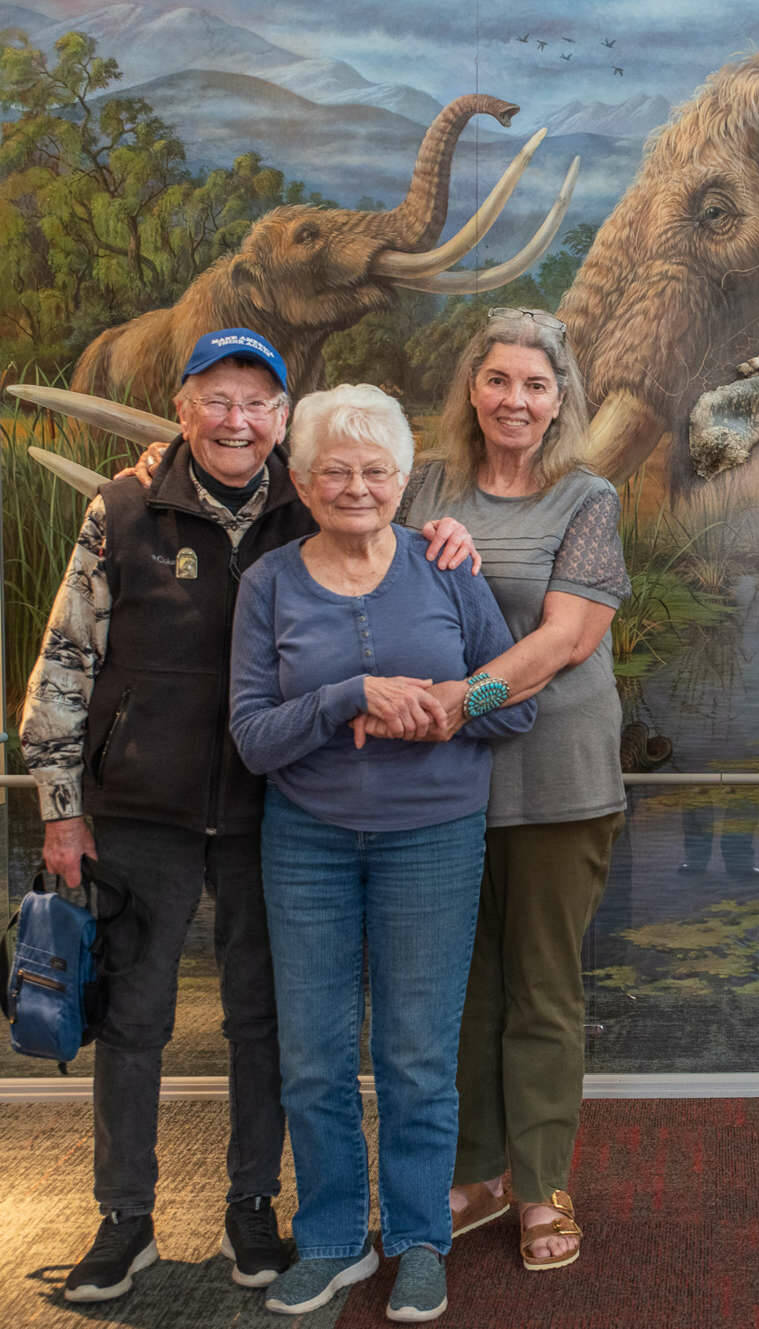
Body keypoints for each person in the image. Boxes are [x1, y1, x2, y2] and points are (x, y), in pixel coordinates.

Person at [19, 329, 476, 1305]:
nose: (236, 420)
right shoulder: (124, 507)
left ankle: (253, 1207)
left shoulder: (307, 499)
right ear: (183, 409)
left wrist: (445, 532)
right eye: (216, 400)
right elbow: (65, 659)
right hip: (144, 804)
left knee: (266, 1025)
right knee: (133, 1019)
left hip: (274, 808)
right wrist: (61, 807)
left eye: (256, 403)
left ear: (281, 420)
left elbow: (384, 527)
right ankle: (124, 1220)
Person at [229, 384, 534, 1322]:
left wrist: (454, 704)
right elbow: (252, 737)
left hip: (434, 841)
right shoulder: (268, 583)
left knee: (415, 1054)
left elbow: (514, 701)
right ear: (301, 481)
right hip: (306, 842)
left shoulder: (448, 568)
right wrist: (347, 696)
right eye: (335, 471)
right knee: (314, 1056)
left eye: (375, 471)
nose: (356, 487)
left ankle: (418, 1239)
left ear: (402, 480)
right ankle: (331, 1241)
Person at [391, 307, 631, 1272]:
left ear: (561, 399)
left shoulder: (587, 497)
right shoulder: (425, 484)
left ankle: (540, 1183)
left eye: (536, 385)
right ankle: (477, 1172)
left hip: (558, 780)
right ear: (472, 386)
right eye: (498, 380)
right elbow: (353, 544)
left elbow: (567, 638)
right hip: (443, 784)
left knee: (540, 986)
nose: (515, 400)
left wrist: (463, 699)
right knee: (464, 986)